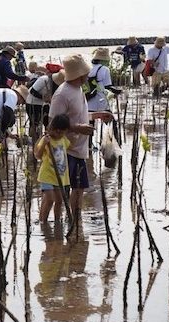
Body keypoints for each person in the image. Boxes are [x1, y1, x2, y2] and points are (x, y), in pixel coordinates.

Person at [48, 54, 113, 221]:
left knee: (79, 189)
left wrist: (98, 115)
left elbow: (79, 116)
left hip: (80, 150)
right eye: (86, 73)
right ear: (80, 74)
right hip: (66, 151)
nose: (88, 75)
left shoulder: (78, 89)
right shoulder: (62, 94)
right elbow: (52, 126)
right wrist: (77, 128)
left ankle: (75, 223)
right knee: (64, 192)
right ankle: (61, 226)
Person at [34, 114, 71, 222]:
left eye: (61, 132)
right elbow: (38, 156)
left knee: (59, 200)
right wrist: (44, 143)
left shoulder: (64, 139)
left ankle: (57, 221)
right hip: (47, 175)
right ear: (52, 128)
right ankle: (43, 221)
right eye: (56, 131)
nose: (58, 134)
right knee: (49, 199)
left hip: (60, 175)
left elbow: (70, 146)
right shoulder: (47, 139)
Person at [26, 70, 65, 141]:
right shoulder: (44, 79)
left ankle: (46, 141)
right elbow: (32, 91)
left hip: (44, 104)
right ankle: (34, 141)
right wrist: (43, 98)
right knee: (35, 124)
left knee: (48, 123)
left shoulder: (56, 85)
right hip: (32, 103)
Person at [87, 48, 122, 113]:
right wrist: (118, 91)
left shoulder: (88, 67)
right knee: (109, 117)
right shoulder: (105, 69)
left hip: (88, 101)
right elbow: (107, 87)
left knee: (91, 121)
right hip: (100, 101)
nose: (108, 62)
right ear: (102, 60)